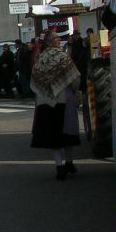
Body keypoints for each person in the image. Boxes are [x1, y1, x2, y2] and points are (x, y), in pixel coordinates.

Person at [30, 31, 82, 180]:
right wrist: (76, 91)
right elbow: (74, 77)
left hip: (45, 100)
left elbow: (34, 79)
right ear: (51, 42)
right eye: (57, 39)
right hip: (63, 99)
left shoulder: (40, 59)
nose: (59, 40)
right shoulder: (62, 56)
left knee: (53, 135)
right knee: (67, 132)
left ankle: (59, 165)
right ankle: (69, 162)